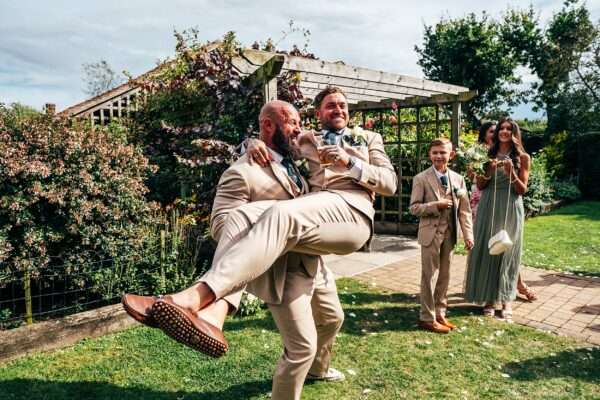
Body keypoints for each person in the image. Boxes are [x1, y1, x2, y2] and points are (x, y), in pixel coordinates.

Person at [126, 87, 397, 358]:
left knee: (281, 213)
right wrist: (250, 144)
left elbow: (390, 184)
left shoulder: (370, 138)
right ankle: (216, 314)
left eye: (342, 105)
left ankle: (194, 297)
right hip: (316, 215)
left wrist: (350, 163)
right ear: (319, 113)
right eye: (331, 106)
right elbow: (277, 138)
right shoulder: (307, 139)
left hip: (351, 209)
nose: (338, 109)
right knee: (242, 216)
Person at [463, 117, 531, 322]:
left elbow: (522, 190)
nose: (504, 132)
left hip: (510, 205)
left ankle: (506, 299)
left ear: (514, 133)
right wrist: (490, 171)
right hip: (489, 205)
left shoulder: (523, 157)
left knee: (508, 252)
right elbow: (481, 186)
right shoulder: (486, 155)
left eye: (509, 129)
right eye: (501, 128)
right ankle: (489, 299)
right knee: (487, 249)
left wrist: (512, 173)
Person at [410, 138, 474, 333]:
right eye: (435, 152)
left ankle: (440, 313)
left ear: (451, 155)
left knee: (445, 276)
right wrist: (434, 206)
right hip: (430, 234)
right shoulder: (421, 178)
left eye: (442, 153)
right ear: (430, 155)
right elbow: (414, 208)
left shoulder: (458, 179)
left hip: (450, 234)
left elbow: (465, 211)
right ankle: (426, 317)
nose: (439, 156)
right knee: (428, 276)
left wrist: (468, 235)